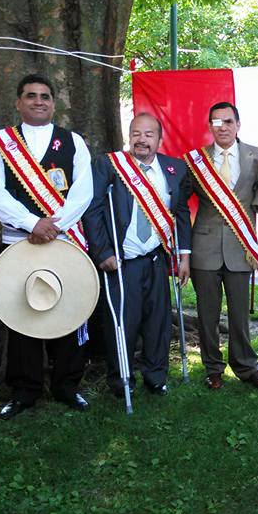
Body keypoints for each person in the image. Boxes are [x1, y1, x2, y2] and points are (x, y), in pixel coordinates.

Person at [0, 73, 93, 418]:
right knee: (21, 316)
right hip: (18, 243)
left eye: (45, 96)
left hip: (63, 240)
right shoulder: (0, 144)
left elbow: (83, 191)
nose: (38, 101)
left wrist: (53, 226)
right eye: (30, 95)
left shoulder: (73, 142)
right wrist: (32, 223)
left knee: (70, 312)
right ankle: (24, 390)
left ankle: (67, 386)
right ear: (18, 102)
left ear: (53, 103)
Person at [82, 113, 192, 396]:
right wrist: (103, 252)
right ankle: (122, 380)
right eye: (136, 134)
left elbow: (180, 213)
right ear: (128, 136)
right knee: (123, 322)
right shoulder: (109, 166)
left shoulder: (175, 169)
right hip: (122, 261)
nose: (142, 140)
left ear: (159, 139)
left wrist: (184, 256)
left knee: (158, 322)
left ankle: (156, 377)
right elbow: (92, 210)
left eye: (149, 134)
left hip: (156, 259)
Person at [184, 102, 258, 390]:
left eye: (227, 121)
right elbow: (180, 199)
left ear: (238, 125)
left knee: (239, 314)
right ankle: (212, 368)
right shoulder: (195, 161)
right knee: (207, 314)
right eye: (216, 122)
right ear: (209, 126)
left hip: (240, 246)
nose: (221, 127)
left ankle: (246, 367)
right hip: (204, 246)